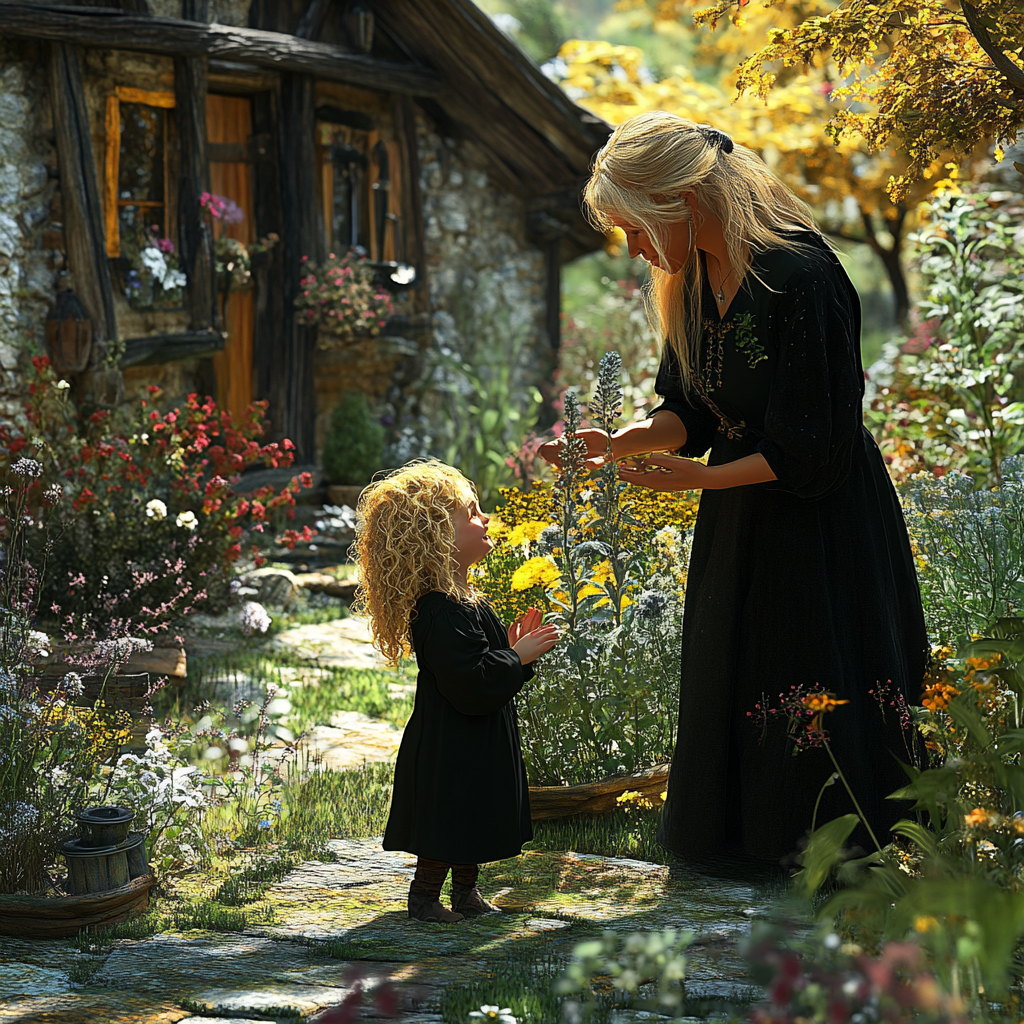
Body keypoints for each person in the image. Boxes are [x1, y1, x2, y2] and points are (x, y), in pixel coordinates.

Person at [542, 111, 928, 863]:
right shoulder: (690, 284)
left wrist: (704, 477)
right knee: (738, 666)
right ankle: (745, 842)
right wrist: (627, 439)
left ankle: (835, 849)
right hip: (740, 512)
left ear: (681, 200)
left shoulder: (802, 277)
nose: (634, 247)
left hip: (822, 521)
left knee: (808, 666)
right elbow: (688, 407)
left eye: (636, 226)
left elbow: (813, 447)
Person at [352, 460, 559, 922]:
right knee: (451, 815)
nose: (485, 519)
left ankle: (466, 894)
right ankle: (425, 897)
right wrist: (517, 657)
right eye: (472, 513)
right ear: (434, 536)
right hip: (453, 743)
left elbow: (481, 667)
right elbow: (466, 681)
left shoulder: (467, 600)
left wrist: (508, 650)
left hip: (476, 736)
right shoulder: (439, 610)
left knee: (475, 813)